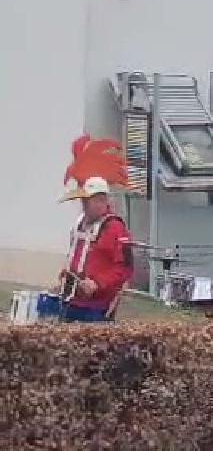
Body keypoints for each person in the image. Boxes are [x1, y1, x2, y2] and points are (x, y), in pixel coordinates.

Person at [58, 135, 135, 323]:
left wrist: (97, 283)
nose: (84, 205)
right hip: (71, 302)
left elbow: (124, 268)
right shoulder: (80, 223)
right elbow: (76, 257)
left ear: (102, 200)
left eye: (88, 201)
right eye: (83, 201)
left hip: (96, 308)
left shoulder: (115, 227)